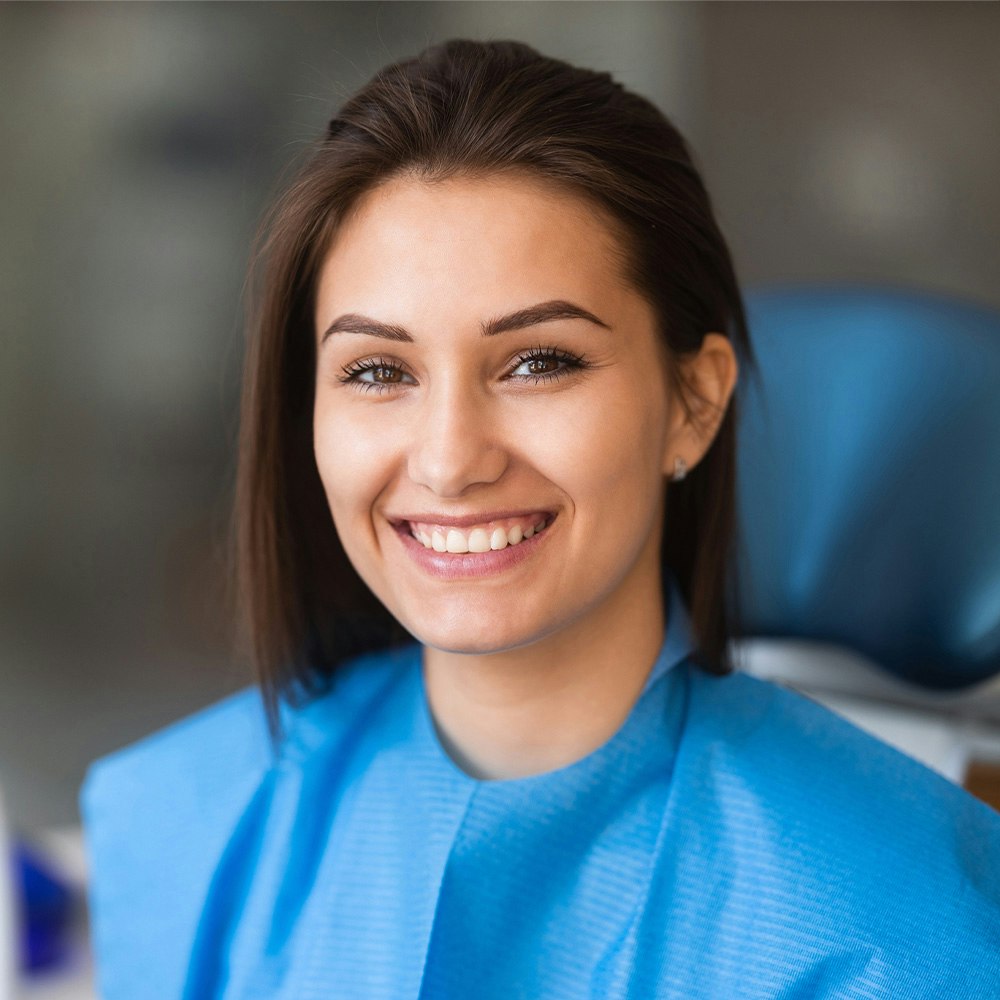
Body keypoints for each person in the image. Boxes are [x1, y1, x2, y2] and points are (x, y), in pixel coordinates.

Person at [81, 39, 1000, 999]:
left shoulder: (898, 930)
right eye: (378, 371)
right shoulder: (186, 825)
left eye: (538, 362)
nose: (447, 460)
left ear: (693, 400)